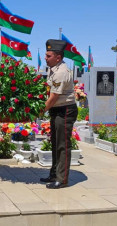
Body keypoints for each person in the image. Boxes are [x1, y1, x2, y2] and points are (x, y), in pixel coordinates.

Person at [40, 39, 78, 189]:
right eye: (46, 55)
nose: (45, 58)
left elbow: (53, 97)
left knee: (63, 145)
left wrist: (38, 112)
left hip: (65, 110)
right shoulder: (53, 69)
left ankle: (62, 179)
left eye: (48, 56)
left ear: (58, 57)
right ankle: (54, 173)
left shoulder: (61, 72)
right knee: (55, 143)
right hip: (57, 109)